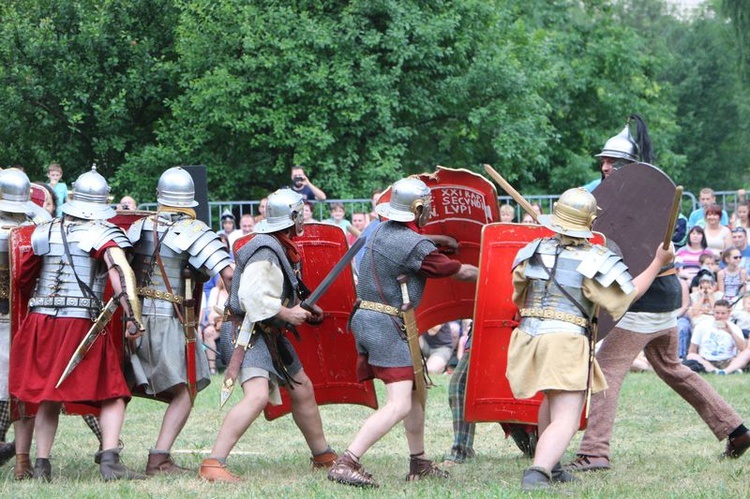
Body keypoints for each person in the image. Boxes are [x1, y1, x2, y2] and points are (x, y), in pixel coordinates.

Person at [506, 187, 673, 491]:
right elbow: (627, 295)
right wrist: (658, 262)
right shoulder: (594, 259)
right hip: (566, 340)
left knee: (552, 398)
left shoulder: (533, 250)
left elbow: (518, 293)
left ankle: (553, 466)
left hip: (530, 337)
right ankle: (538, 471)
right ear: (590, 222)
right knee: (568, 417)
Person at [327, 177, 478, 488]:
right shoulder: (413, 246)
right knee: (399, 403)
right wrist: (492, 270)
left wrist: (434, 239)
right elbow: (457, 271)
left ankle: (419, 462)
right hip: (386, 325)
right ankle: (347, 461)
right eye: (427, 210)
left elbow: (405, 243)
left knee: (413, 394)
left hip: (370, 319)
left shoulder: (378, 229)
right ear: (418, 209)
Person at [9, 166, 145, 481]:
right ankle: (110, 461)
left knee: (48, 394)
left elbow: (24, 278)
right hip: (80, 324)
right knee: (114, 393)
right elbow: (120, 274)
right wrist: (134, 316)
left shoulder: (44, 230)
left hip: (40, 323)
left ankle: (42, 464)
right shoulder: (102, 233)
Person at [199, 188, 335, 483]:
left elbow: (274, 293)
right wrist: (288, 314)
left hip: (268, 332)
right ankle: (214, 463)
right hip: (247, 333)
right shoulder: (265, 249)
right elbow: (252, 296)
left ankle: (322, 455)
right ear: (293, 217)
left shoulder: (279, 245)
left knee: (302, 389)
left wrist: (303, 308)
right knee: (258, 395)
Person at [127, 166, 234, 476]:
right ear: (189, 199)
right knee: (186, 389)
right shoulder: (193, 230)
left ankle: (109, 452)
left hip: (133, 320)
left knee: (121, 388)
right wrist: (236, 309)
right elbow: (227, 273)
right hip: (168, 321)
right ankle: (159, 457)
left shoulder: (138, 228)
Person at [0, 170, 50, 473]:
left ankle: (21, 460)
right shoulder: (36, 234)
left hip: (16, 321)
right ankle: (22, 461)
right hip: (22, 321)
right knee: (22, 392)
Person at [582, 116, 652, 192]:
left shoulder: (643, 192)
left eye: (611, 162)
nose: (604, 168)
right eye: (603, 162)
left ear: (629, 165)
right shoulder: (593, 188)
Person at [686, 299, 746, 373]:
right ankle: (715, 370)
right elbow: (692, 349)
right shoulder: (702, 325)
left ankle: (726, 371)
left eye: (723, 313)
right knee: (691, 356)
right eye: (717, 313)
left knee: (744, 355)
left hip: (727, 361)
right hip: (706, 360)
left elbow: (743, 349)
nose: (719, 316)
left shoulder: (734, 328)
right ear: (713, 312)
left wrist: (730, 332)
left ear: (729, 313)